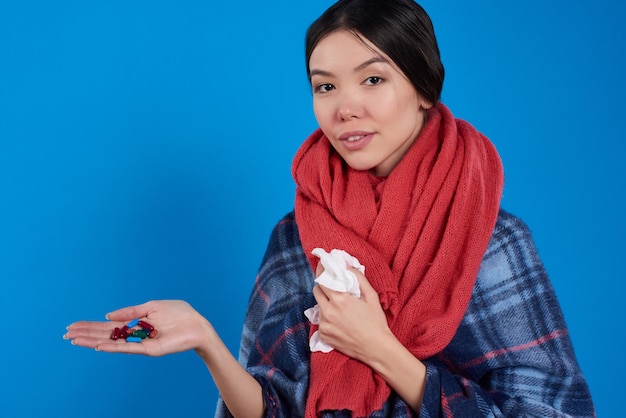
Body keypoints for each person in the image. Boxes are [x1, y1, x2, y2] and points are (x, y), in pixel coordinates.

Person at [64, 0, 595, 416]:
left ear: (423, 87)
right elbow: (274, 405)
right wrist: (206, 341)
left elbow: (550, 411)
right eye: (325, 86)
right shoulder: (293, 235)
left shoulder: (492, 238)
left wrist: (379, 350)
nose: (344, 108)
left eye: (373, 79)